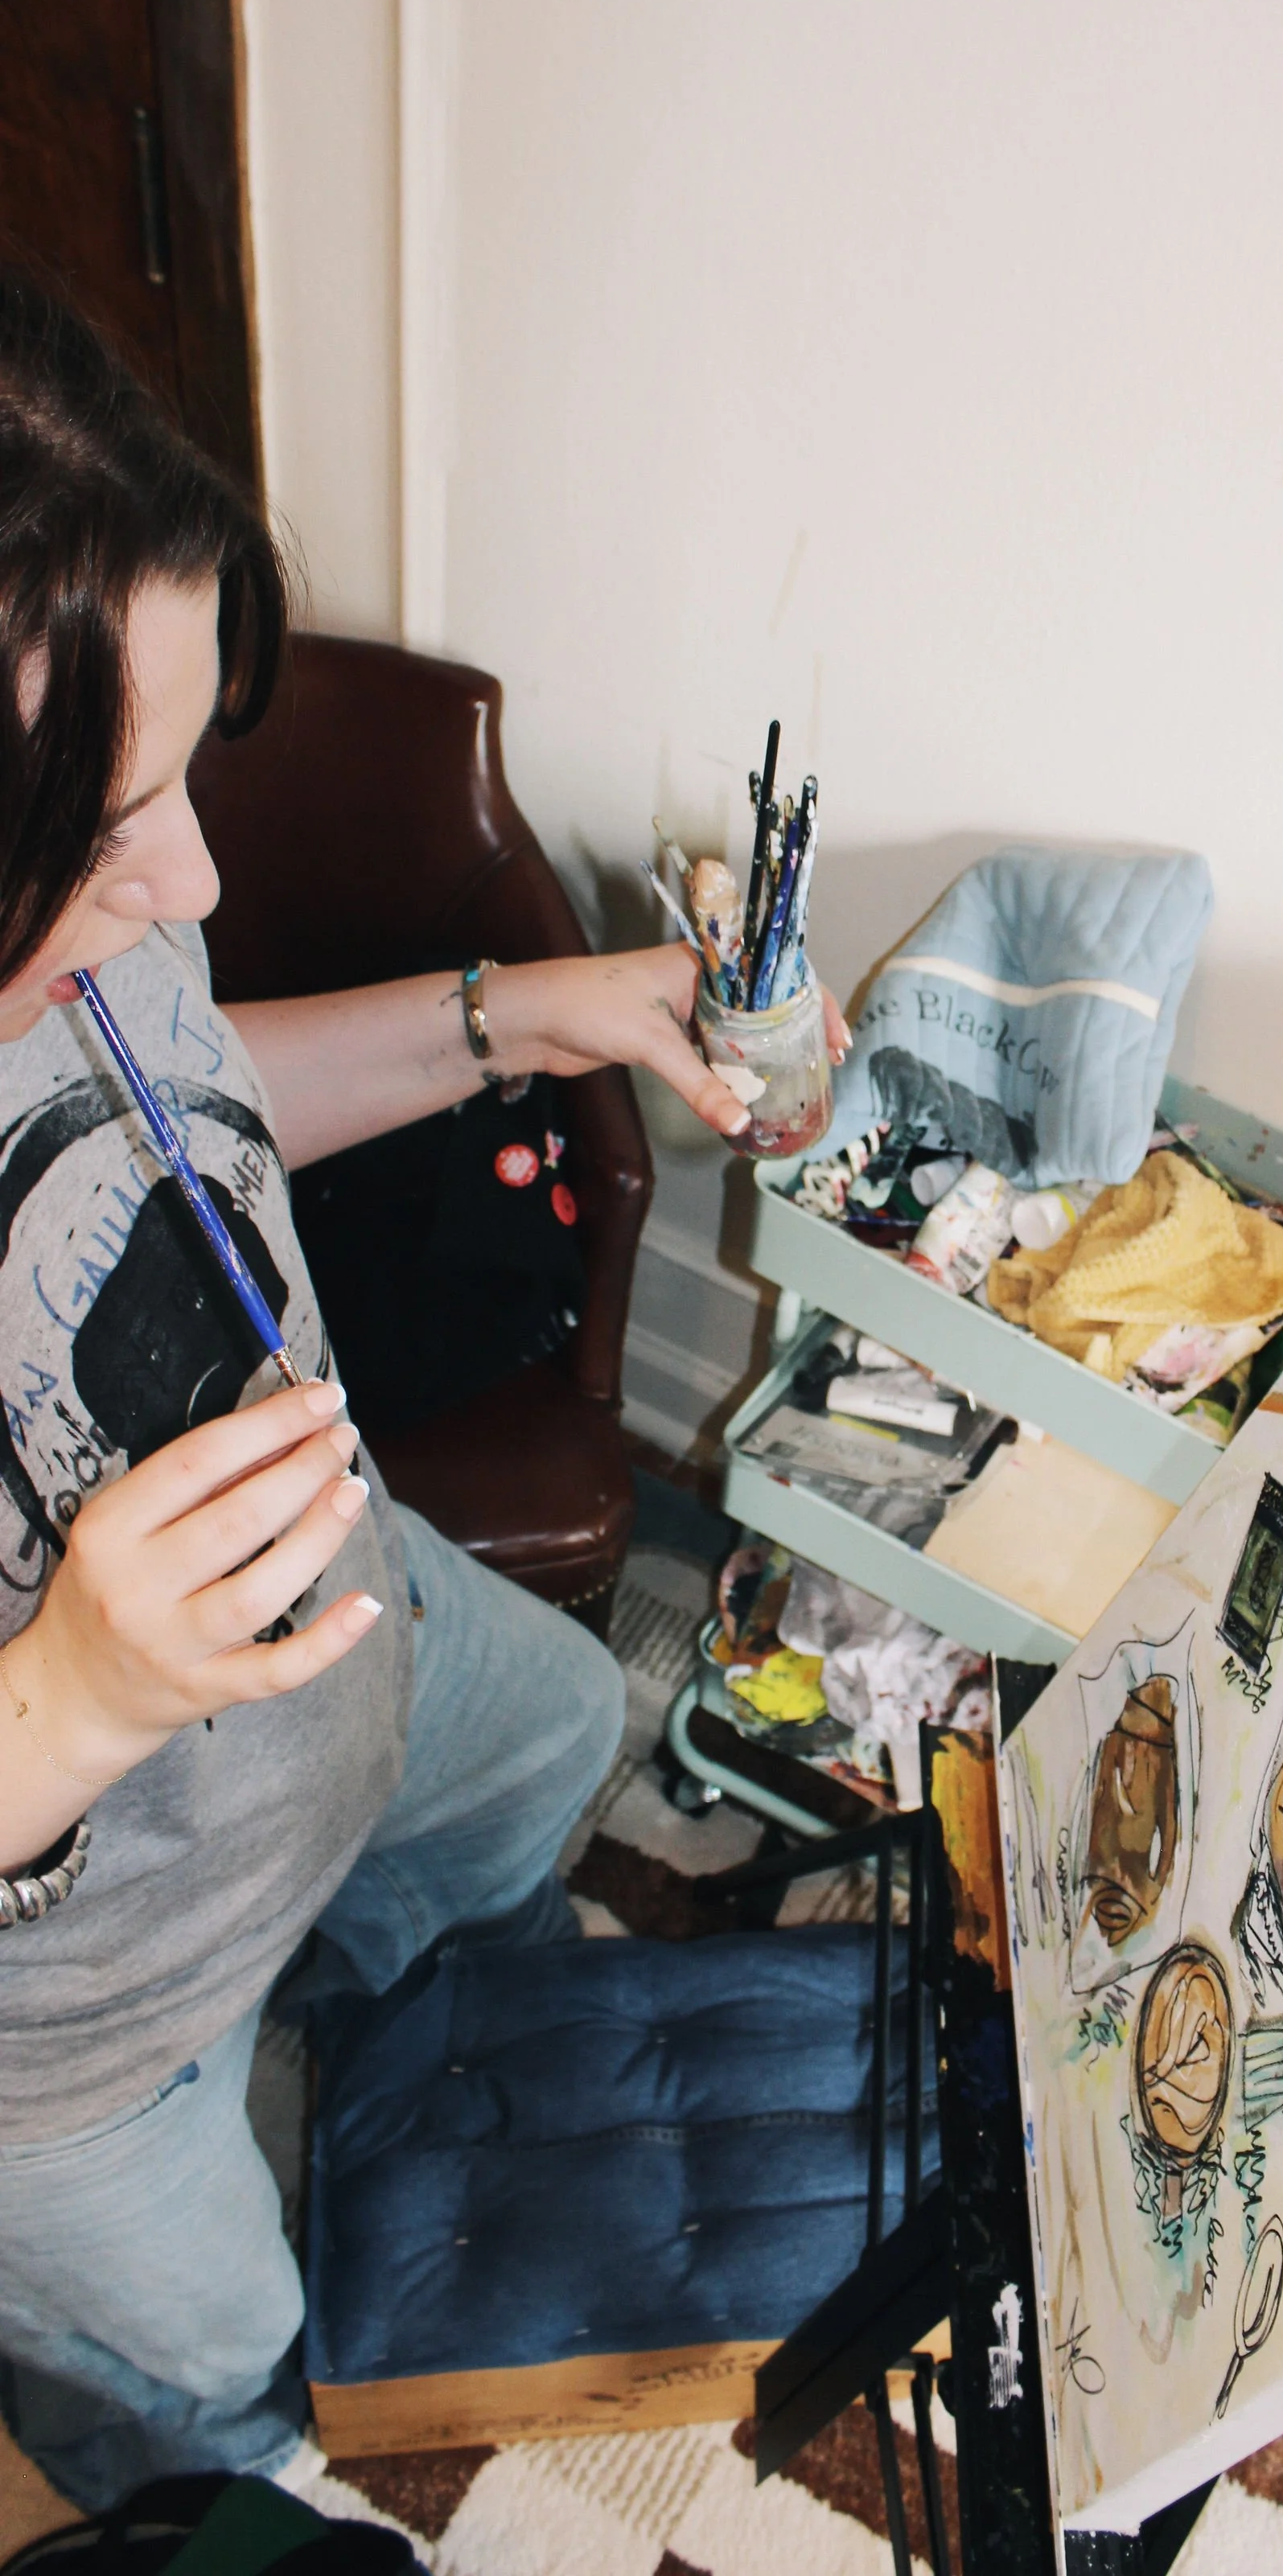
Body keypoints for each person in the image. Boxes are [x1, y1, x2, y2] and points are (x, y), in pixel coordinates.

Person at [0, 273, 849, 2510]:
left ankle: (367, 2041)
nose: (184, 880)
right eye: (101, 832)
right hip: (61, 2043)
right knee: (225, 2404)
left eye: (182, 779)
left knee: (563, 1726)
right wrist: (71, 1696)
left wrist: (533, 1013)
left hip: (335, 1652)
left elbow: (169, 1089)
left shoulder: (94, 922)